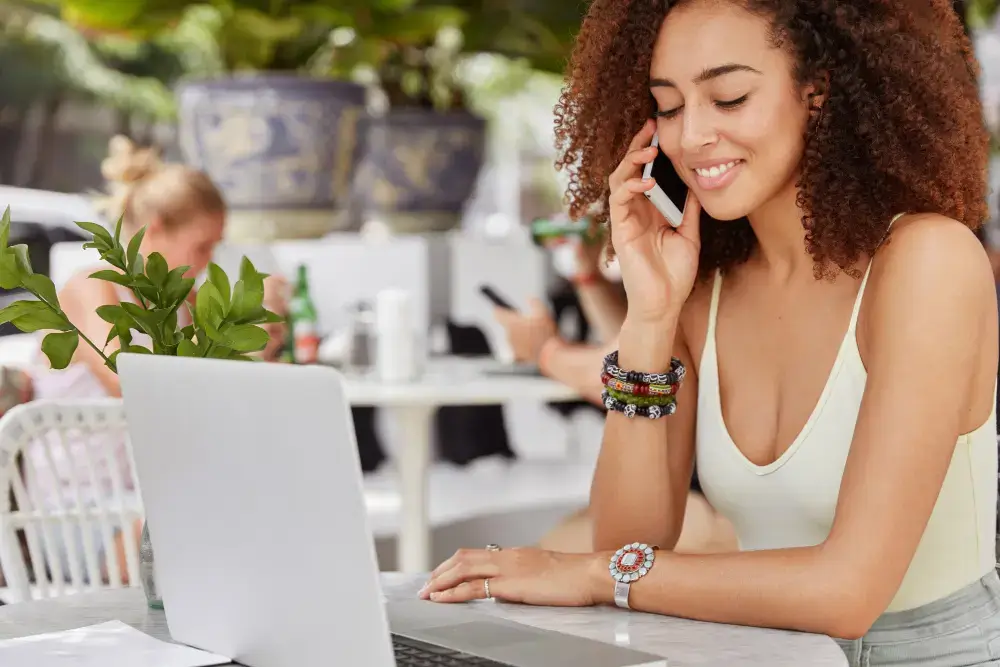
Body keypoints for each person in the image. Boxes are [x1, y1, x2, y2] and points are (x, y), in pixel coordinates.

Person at [419, 0, 1000, 663]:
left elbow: (848, 588)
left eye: (728, 97)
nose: (691, 135)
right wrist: (650, 316)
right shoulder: (704, 291)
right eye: (668, 106)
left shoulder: (929, 261)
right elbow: (630, 538)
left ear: (819, 89)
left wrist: (583, 572)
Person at [26, 136, 287, 582]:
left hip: (153, 506)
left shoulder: (183, 301)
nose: (208, 262)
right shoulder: (93, 289)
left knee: (263, 520)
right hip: (73, 515)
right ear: (156, 229)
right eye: (202, 246)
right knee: (198, 542)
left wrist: (262, 331)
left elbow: (217, 395)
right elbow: (128, 379)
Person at [499, 230, 737, 554]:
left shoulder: (716, 266)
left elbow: (632, 379)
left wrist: (546, 351)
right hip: (701, 497)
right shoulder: (707, 265)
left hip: (718, 518)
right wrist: (587, 275)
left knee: (548, 556)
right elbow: (641, 353)